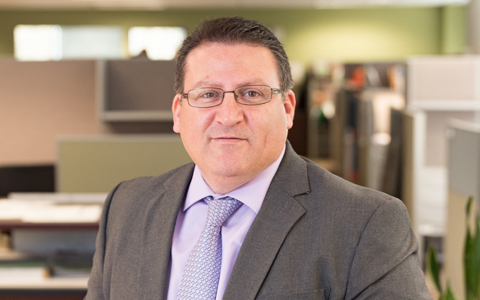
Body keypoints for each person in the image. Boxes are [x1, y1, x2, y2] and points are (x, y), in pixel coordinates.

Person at [85, 17, 432, 300]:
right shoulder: (126, 206)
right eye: (208, 94)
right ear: (179, 112)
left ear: (287, 108)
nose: (228, 115)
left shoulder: (367, 223)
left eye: (251, 93)